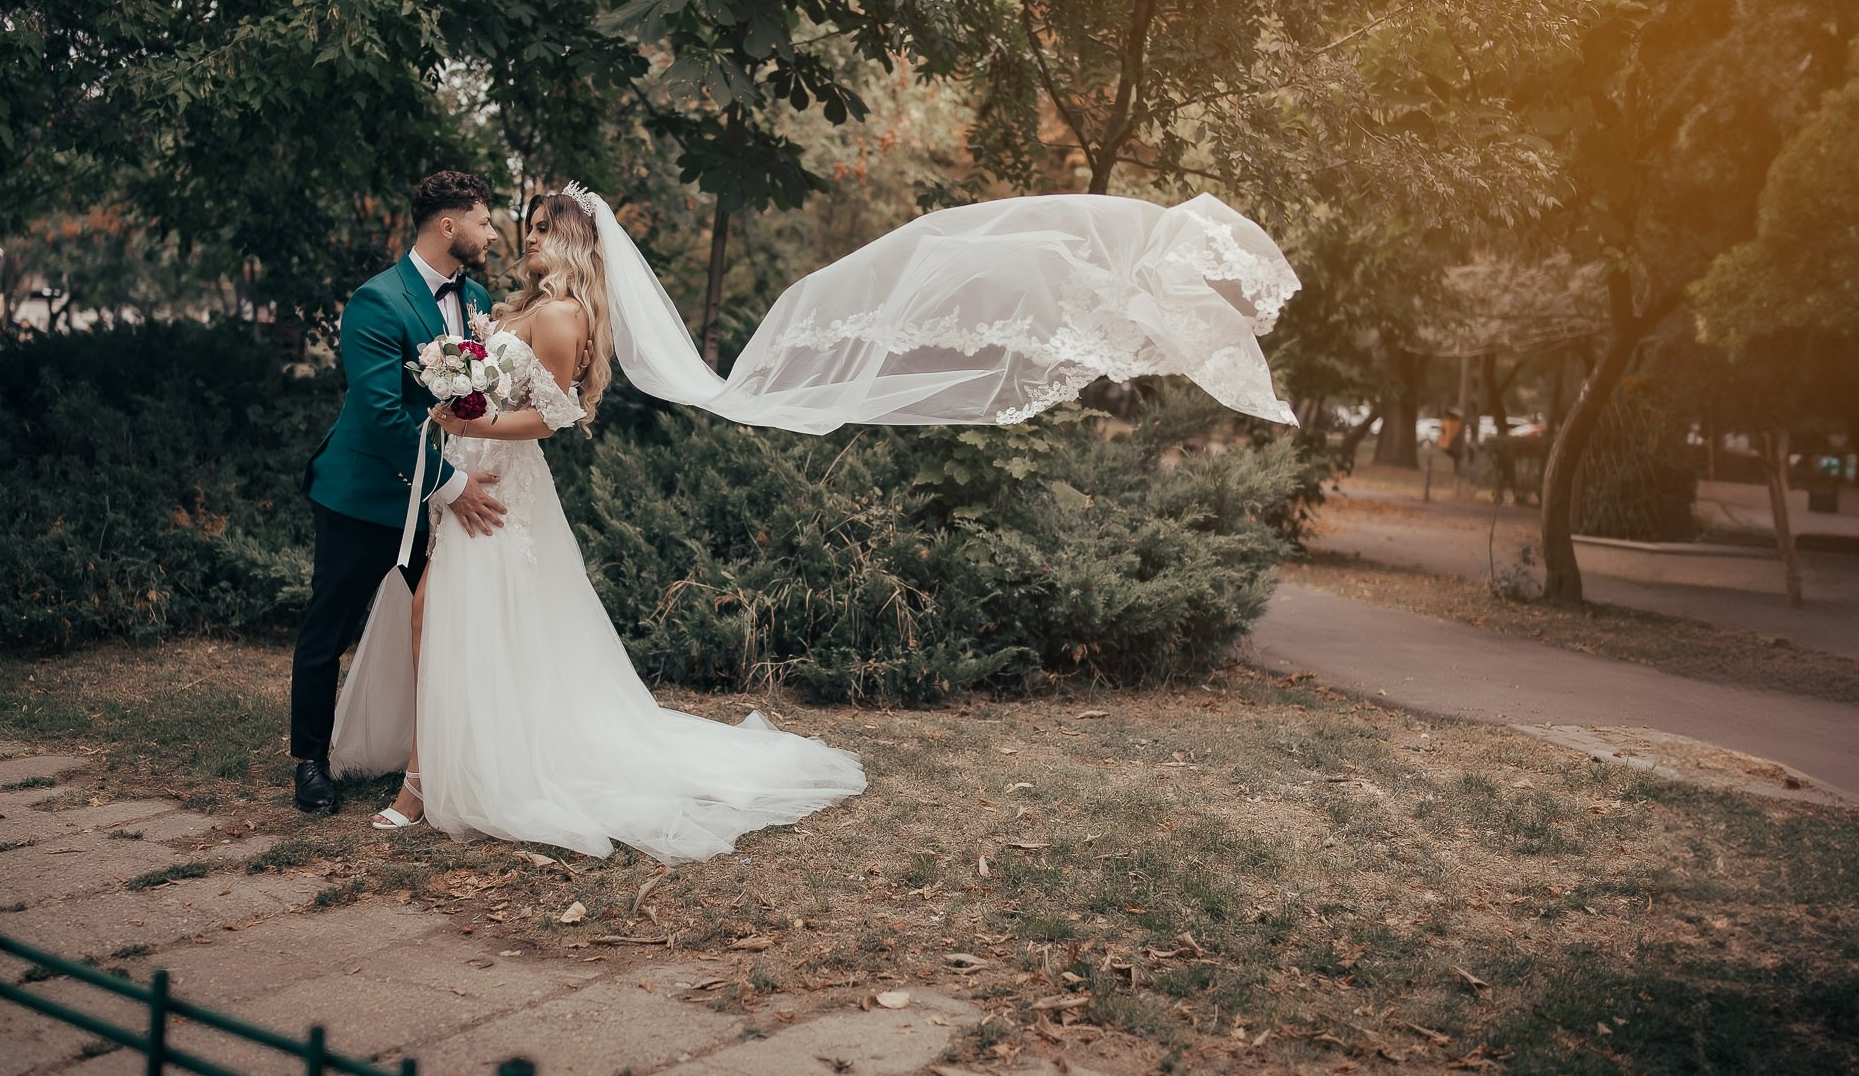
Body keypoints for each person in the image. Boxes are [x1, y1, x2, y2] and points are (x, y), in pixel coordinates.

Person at [341, 182, 1300, 862]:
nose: (530, 241)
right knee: (463, 625)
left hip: (499, 484)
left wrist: (456, 411)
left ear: (573, 245)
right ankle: (439, 772)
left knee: (469, 622)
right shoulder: (529, 305)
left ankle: (432, 783)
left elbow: (554, 418)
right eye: (529, 230)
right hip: (476, 478)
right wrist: (456, 403)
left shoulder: (556, 317)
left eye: (543, 231)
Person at [286, 171, 510, 814]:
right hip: (362, 495)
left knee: (445, 623)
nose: (492, 233)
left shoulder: (478, 301)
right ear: (449, 225)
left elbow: (473, 395)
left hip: (434, 500)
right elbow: (383, 414)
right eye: (485, 221)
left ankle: (437, 754)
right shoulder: (376, 302)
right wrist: (453, 484)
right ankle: (310, 762)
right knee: (330, 628)